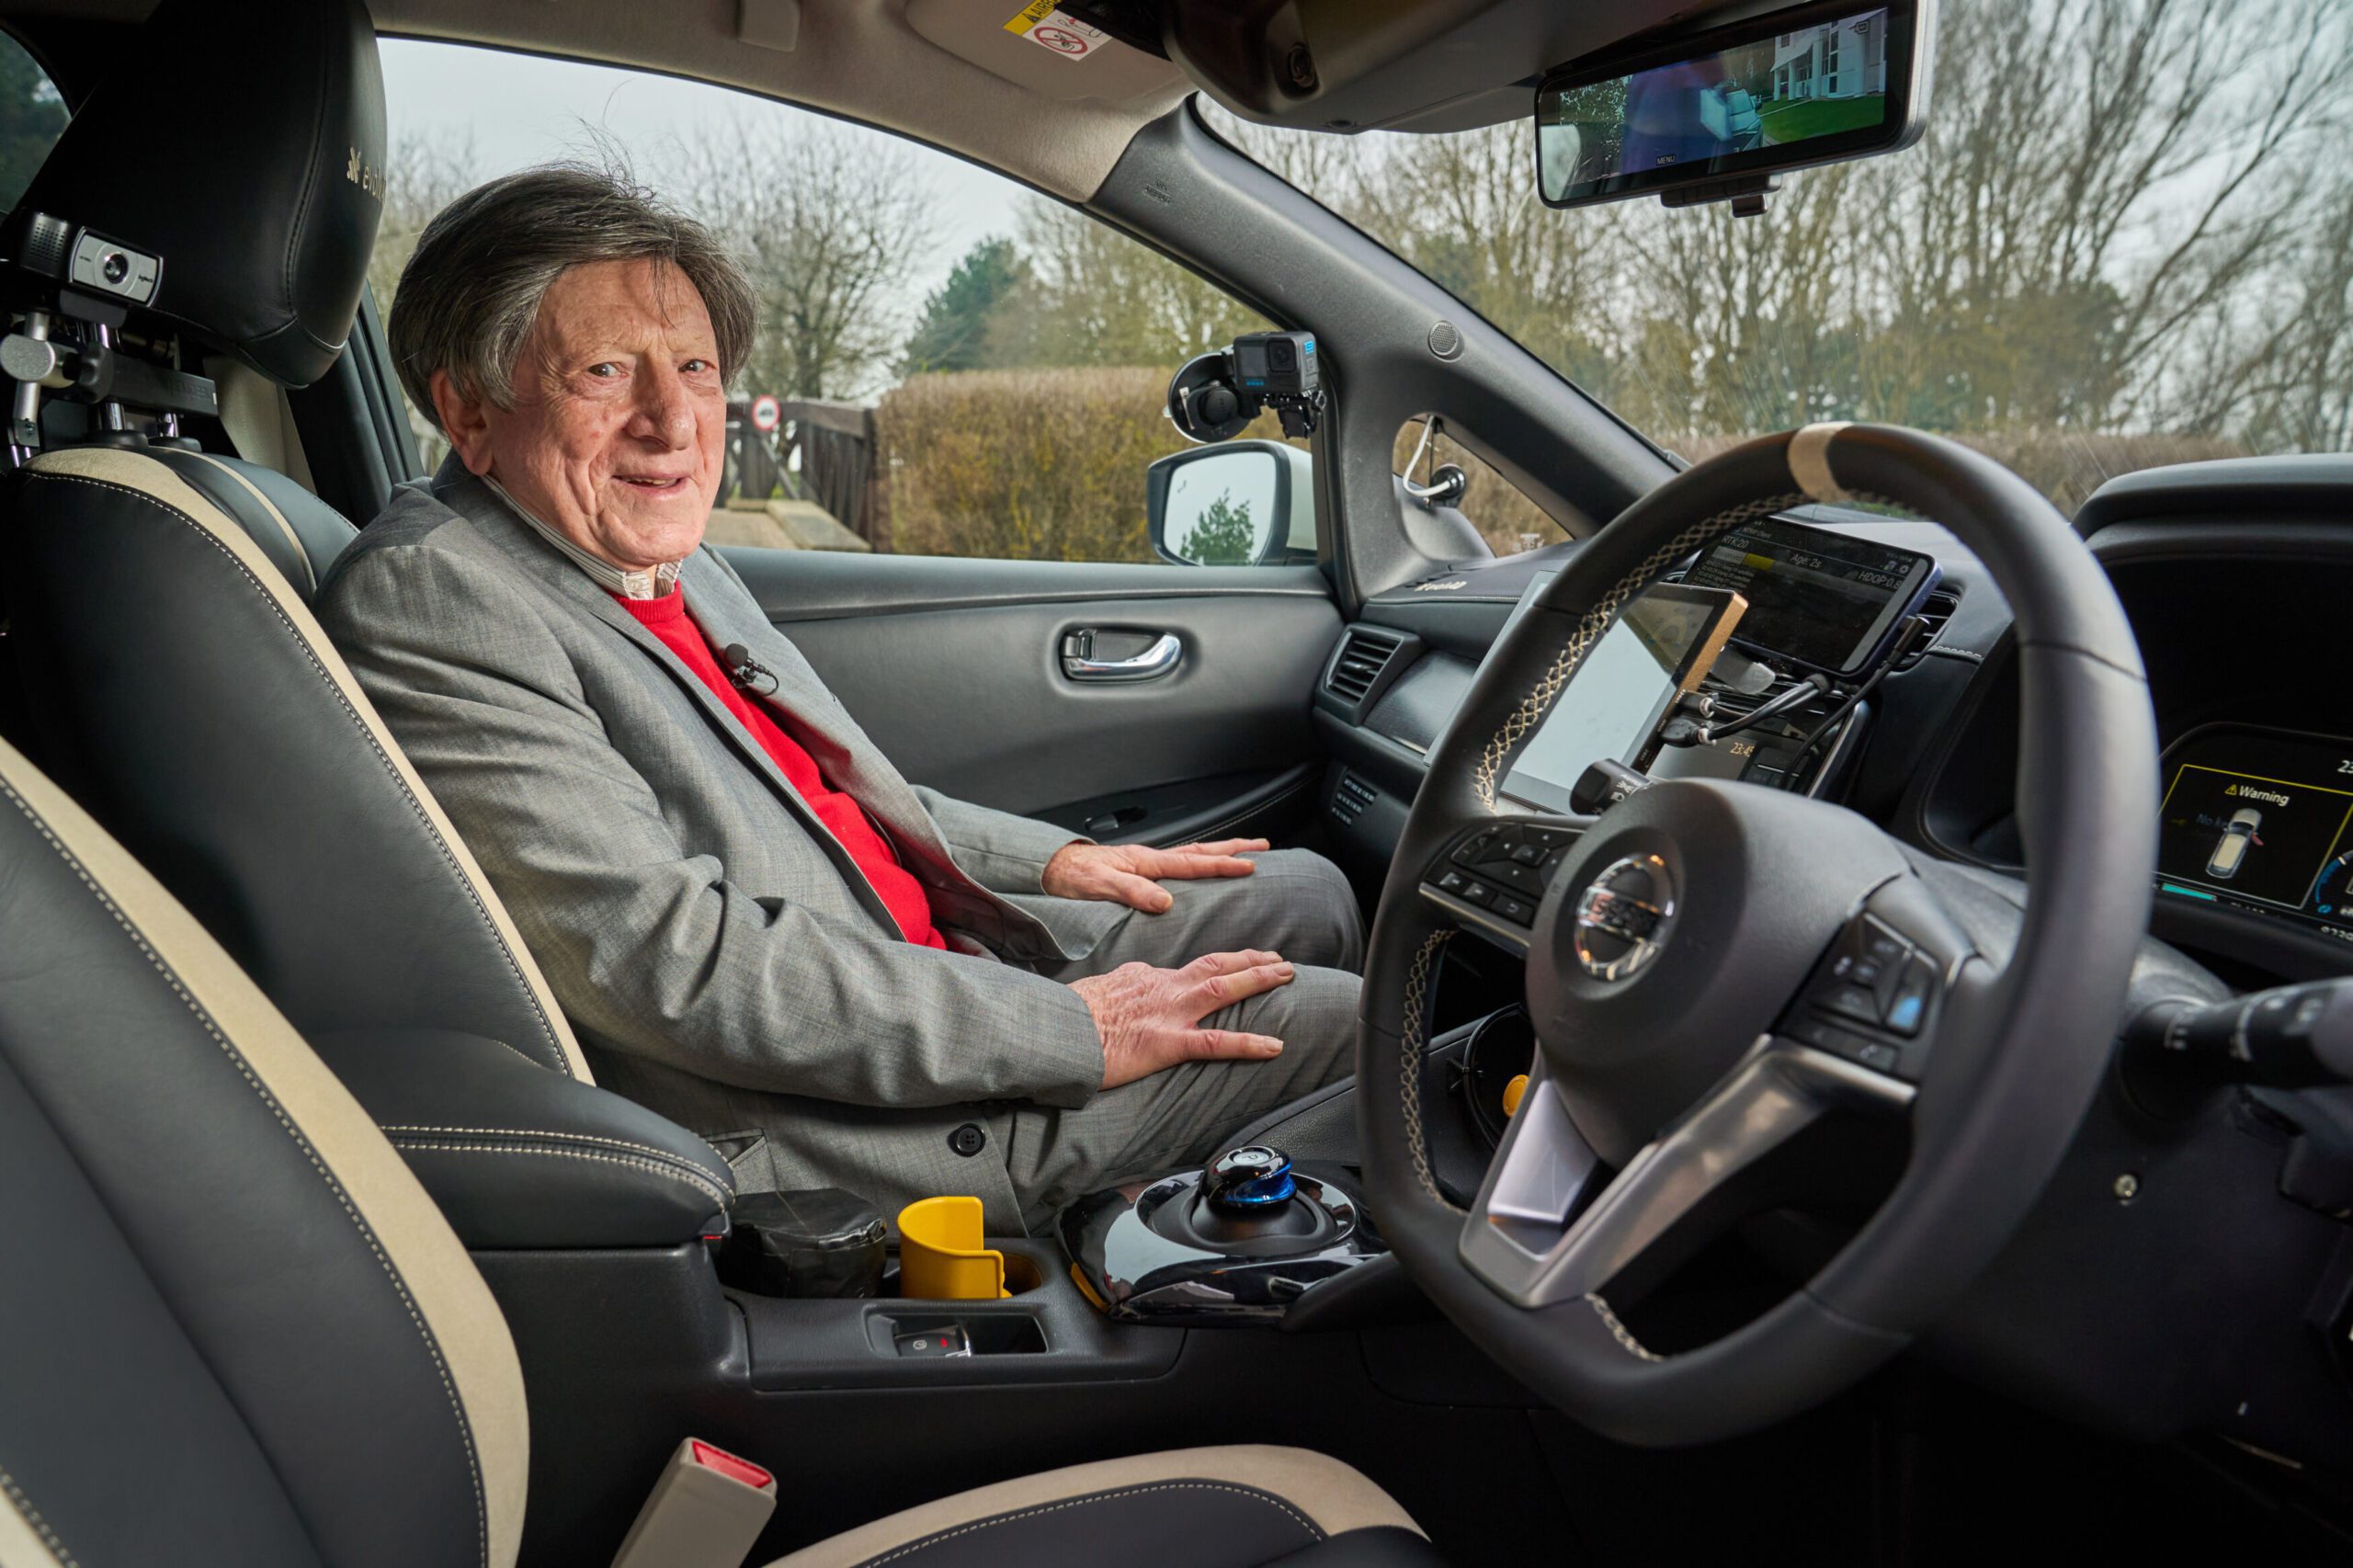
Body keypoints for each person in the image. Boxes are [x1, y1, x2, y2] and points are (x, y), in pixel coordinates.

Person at [317, 165, 1364, 1233]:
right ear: (466, 409)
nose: (672, 421)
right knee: (1355, 1030)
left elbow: (830, 790)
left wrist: (1050, 862)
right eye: (603, 370)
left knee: (1312, 891)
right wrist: (1069, 1029)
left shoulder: (660, 555)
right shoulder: (438, 594)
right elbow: (666, 957)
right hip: (849, 1124)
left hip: (911, 961)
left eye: (694, 366)